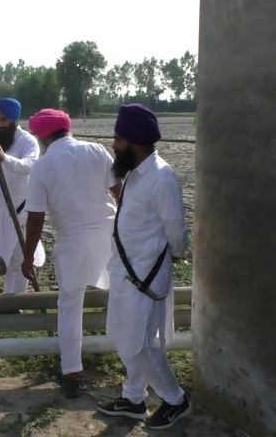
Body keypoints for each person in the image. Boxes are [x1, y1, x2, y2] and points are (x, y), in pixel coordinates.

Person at [96, 103, 190, 429]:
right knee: (124, 338)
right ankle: (134, 398)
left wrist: (169, 258)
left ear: (133, 140)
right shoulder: (135, 174)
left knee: (144, 346)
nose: (113, 145)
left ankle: (176, 399)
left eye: (117, 139)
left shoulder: (162, 178)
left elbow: (177, 231)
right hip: (125, 274)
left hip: (146, 279)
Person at [20, 108, 119, 398]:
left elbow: (35, 217)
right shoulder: (98, 151)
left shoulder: (43, 165)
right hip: (109, 235)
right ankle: (136, 361)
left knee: (70, 306)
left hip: (72, 242)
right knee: (123, 298)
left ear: (44, 136)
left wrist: (28, 257)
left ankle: (72, 372)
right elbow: (119, 192)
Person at [0, 98, 44, 295]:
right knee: (4, 260)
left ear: (13, 119)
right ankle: (8, 300)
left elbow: (30, 166)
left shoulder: (28, 142)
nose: (0, 125)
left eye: (4, 120)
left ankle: (15, 303)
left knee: (19, 260)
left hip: (17, 211)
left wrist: (5, 158)